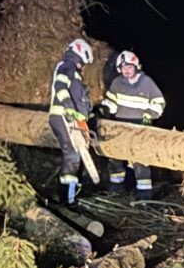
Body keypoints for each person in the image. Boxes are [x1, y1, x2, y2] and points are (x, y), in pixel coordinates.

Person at [99, 48, 167, 198]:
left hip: (140, 127)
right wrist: (105, 105)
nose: (126, 70)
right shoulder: (117, 83)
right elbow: (112, 104)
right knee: (115, 157)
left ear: (136, 66)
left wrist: (149, 116)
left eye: (129, 67)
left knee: (140, 160)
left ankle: (144, 196)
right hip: (120, 126)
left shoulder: (147, 82)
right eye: (123, 68)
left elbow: (159, 103)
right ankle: (116, 192)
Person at [48, 37, 95, 204]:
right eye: (84, 62)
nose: (83, 65)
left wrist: (84, 115)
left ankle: (69, 195)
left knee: (74, 155)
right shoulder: (67, 66)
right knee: (72, 155)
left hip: (70, 118)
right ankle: (67, 199)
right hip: (64, 116)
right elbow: (59, 86)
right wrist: (69, 108)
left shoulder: (72, 70)